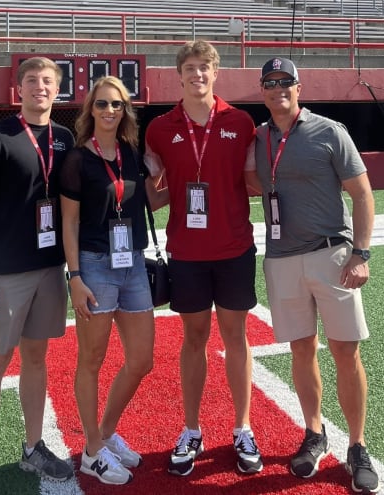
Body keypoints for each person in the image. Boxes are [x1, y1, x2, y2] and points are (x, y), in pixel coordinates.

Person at [254, 56, 380, 494]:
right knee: (301, 349)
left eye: (286, 81)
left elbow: (362, 193)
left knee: (346, 350)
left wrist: (360, 254)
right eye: (270, 82)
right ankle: (314, 433)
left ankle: (358, 445)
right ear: (263, 92)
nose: (278, 88)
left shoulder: (329, 131)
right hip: (282, 258)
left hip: (332, 255)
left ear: (299, 87)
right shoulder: (258, 138)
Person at [144, 40, 263, 477]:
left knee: (236, 337)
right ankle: (191, 429)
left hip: (234, 248)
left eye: (205, 68)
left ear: (216, 74)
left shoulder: (242, 121)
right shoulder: (159, 128)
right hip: (187, 252)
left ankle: (242, 427)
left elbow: (255, 182)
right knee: (193, 340)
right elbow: (153, 193)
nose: (197, 75)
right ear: (179, 75)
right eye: (190, 68)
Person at [0, 56, 75, 495]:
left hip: (49, 268)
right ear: (19, 88)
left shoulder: (64, 138)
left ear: (57, 89)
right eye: (32, 81)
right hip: (6, 273)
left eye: (48, 81)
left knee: (36, 358)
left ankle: (32, 447)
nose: (40, 87)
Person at [59, 76, 166, 485]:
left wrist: (175, 178)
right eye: (102, 104)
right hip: (95, 264)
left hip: (134, 263)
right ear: (91, 110)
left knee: (141, 360)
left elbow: (147, 201)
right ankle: (91, 451)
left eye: (117, 105)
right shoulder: (77, 160)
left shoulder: (130, 152)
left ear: (125, 111)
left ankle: (104, 434)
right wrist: (75, 276)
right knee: (91, 361)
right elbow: (69, 223)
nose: (109, 111)